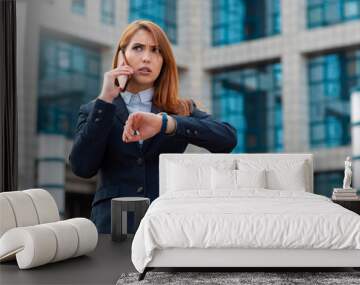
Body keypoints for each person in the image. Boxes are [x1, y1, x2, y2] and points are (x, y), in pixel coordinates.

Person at [68, 20, 237, 233]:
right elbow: (82, 168)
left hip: (166, 224)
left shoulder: (180, 109)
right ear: (122, 56)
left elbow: (227, 138)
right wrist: (106, 99)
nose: (147, 57)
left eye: (156, 51)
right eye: (138, 48)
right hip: (111, 227)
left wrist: (167, 123)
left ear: (163, 62)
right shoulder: (96, 109)